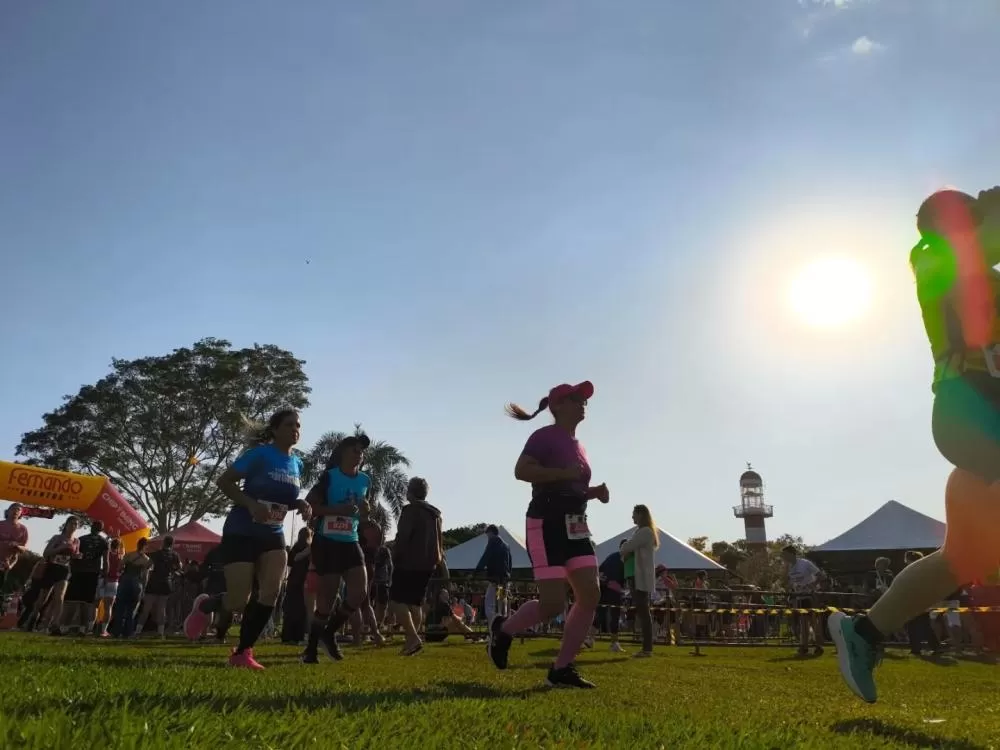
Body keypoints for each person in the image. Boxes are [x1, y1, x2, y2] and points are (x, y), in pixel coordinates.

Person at [829, 187, 1000, 703]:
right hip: (967, 412)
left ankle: (865, 632)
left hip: (981, 417)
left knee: (961, 558)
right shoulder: (933, 258)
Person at [487, 381, 610, 689]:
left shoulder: (578, 444)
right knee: (553, 603)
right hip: (546, 522)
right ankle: (504, 630)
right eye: (575, 398)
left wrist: (593, 492)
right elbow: (522, 470)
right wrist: (563, 475)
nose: (583, 403)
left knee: (590, 595)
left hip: (576, 525)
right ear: (556, 406)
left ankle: (562, 668)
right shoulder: (544, 436)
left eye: (584, 399)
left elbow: (572, 486)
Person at [182, 409, 310, 669]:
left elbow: (284, 499)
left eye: (298, 425)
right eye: (289, 425)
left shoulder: (297, 463)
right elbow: (224, 481)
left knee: (271, 592)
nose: (295, 429)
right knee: (239, 600)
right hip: (242, 529)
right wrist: (250, 504)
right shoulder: (259, 454)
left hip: (273, 533)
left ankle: (243, 651)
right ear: (274, 430)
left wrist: (300, 503)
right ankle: (207, 605)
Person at [302, 434, 381, 663]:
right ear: (343, 453)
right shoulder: (329, 477)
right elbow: (311, 507)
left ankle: (328, 634)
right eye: (355, 450)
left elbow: (362, 513)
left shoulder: (365, 480)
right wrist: (338, 510)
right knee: (326, 600)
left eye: (361, 451)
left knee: (359, 592)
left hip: (351, 540)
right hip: (327, 541)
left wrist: (366, 514)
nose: (359, 454)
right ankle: (311, 649)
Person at [389, 477, 445, 656]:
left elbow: (403, 537)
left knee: (396, 600)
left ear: (410, 492)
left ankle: (412, 637)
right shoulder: (435, 514)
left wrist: (395, 555)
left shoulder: (410, 511)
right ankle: (411, 641)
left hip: (409, 561)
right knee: (415, 603)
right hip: (428, 563)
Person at [25, 516, 81, 634]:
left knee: (59, 597)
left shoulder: (76, 541)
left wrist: (77, 556)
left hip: (64, 569)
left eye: (76, 524)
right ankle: (33, 618)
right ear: (66, 525)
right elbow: (46, 553)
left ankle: (55, 625)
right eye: (71, 523)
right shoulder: (57, 538)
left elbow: (74, 555)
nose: (73, 526)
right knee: (43, 598)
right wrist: (61, 547)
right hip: (51, 568)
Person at [620, 504, 660, 658]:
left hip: (640, 577)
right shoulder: (640, 532)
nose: (632, 517)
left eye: (634, 514)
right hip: (634, 576)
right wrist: (625, 549)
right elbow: (625, 550)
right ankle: (646, 647)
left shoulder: (644, 532)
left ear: (641, 514)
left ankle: (647, 648)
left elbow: (625, 548)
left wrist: (625, 548)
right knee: (642, 611)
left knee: (643, 612)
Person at [62, 520, 109, 635]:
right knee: (87, 603)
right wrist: (105, 576)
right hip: (92, 573)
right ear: (101, 530)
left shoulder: (81, 539)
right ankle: (83, 628)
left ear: (91, 527)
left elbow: (74, 556)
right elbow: (106, 561)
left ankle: (65, 627)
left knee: (72, 601)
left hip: (79, 572)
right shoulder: (103, 542)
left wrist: (71, 569)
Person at [135, 536, 181, 638]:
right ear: (172, 544)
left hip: (154, 583)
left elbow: (147, 566)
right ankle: (160, 633)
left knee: (146, 608)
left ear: (164, 543)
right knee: (161, 609)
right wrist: (171, 571)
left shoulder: (156, 554)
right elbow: (179, 568)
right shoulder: (175, 555)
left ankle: (138, 631)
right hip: (166, 583)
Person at [782, 546, 824, 657]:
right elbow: (789, 582)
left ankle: (818, 646)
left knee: (813, 622)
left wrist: (812, 585)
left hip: (810, 596)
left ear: (792, 554)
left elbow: (820, 575)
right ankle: (804, 646)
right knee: (803, 623)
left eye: (785, 554)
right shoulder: (789, 567)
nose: (784, 557)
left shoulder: (805, 563)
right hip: (799, 598)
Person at [590, 540, 627, 652]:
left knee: (603, 614)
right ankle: (613, 643)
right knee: (610, 615)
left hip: (608, 589)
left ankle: (591, 639)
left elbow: (600, 570)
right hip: (611, 590)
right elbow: (600, 570)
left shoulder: (613, 556)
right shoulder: (622, 559)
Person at [475, 525, 512, 625]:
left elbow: (485, 557)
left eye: (488, 535)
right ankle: (504, 626)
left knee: (489, 605)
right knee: (501, 604)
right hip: (504, 580)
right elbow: (510, 563)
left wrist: (476, 572)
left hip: (495, 580)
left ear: (490, 533)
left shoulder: (492, 542)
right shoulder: (506, 545)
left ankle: (495, 625)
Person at [281, 527, 313, 644]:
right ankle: (297, 635)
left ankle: (287, 635)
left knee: (290, 610)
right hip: (302, 582)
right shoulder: (308, 549)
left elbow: (290, 563)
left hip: (293, 581)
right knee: (301, 611)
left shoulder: (295, 548)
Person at [0, 504, 29, 603]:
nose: (16, 511)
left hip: (5, 564)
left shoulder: (23, 529)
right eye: (13, 509)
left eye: (18, 510)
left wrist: (17, 547)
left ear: (21, 514)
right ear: (7, 511)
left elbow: (24, 548)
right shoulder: (1, 524)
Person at [96, 538, 124, 637]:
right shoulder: (120, 556)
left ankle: (90, 628)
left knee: (95, 605)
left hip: (103, 579)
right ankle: (103, 630)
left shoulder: (106, 553)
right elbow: (121, 568)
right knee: (108, 608)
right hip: (114, 582)